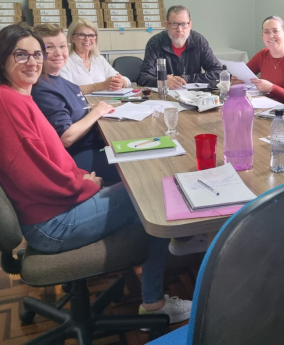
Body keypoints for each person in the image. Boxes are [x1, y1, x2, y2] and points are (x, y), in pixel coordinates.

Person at [0, 23, 191, 323]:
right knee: (154, 193)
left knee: (146, 187)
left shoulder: (20, 96)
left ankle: (172, 247)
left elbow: (53, 157)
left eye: (37, 54)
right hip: (52, 224)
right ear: (3, 59)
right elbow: (35, 177)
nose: (33, 61)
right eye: (21, 55)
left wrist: (80, 178)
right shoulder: (8, 104)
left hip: (55, 207)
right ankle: (154, 305)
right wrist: (84, 186)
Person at [31, 24, 121, 184]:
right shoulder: (42, 88)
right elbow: (66, 137)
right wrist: (96, 112)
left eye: (62, 46)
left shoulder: (63, 82)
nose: (59, 53)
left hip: (97, 144)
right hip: (79, 155)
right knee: (138, 168)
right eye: (49, 47)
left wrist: (96, 110)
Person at [137, 5, 221, 89]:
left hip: (192, 94)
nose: (179, 29)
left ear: (190, 25)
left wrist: (186, 79)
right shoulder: (155, 43)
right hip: (164, 93)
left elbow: (218, 72)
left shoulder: (199, 41)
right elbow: (143, 77)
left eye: (184, 24)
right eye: (174, 24)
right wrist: (163, 82)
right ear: (167, 25)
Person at [234, 16, 284, 105]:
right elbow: (242, 75)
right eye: (266, 32)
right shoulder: (262, 54)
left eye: (275, 31)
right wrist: (236, 80)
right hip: (265, 107)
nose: (271, 36)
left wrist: (272, 88)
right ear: (262, 36)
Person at [60, 18, 131, 94]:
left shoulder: (98, 59)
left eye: (91, 35)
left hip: (104, 100)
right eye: (82, 35)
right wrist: (101, 86)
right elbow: (66, 90)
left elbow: (127, 81)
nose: (87, 39)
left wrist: (121, 82)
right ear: (72, 38)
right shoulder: (64, 61)